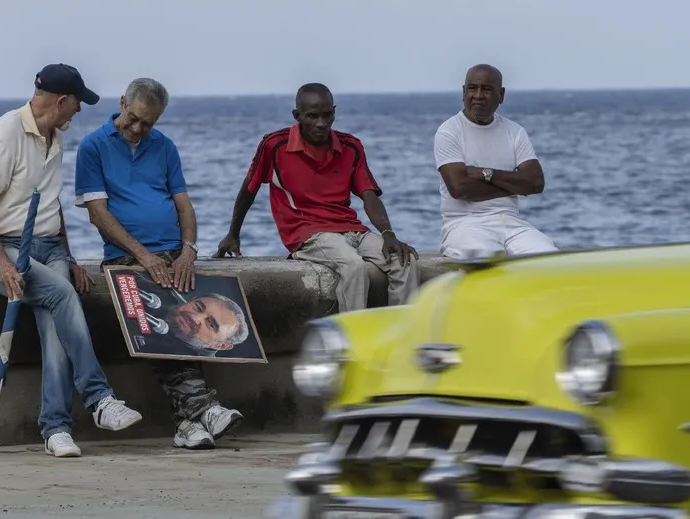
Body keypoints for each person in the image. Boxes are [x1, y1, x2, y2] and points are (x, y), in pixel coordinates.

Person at [0, 63, 144, 459]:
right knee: (60, 295)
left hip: (46, 246)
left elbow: (50, 204)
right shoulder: (6, 133)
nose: (80, 109)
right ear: (61, 101)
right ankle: (99, 398)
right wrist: (2, 264)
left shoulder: (54, 137)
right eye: (78, 102)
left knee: (54, 320)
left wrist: (69, 256)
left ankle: (56, 429)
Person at [74, 77, 243, 450]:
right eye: (133, 118)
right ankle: (204, 409)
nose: (138, 128)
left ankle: (188, 424)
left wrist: (188, 250)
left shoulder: (164, 146)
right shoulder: (93, 147)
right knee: (165, 321)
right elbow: (98, 214)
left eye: (147, 123)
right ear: (122, 103)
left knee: (191, 324)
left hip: (172, 252)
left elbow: (183, 205)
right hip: (126, 257)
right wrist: (145, 256)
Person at [215, 83, 419, 313]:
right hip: (308, 234)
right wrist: (233, 234)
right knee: (354, 266)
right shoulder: (275, 145)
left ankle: (403, 332)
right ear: (297, 116)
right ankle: (351, 334)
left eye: (327, 115)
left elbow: (369, 196)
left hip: (352, 230)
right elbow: (248, 191)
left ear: (334, 112)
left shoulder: (351, 146)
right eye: (312, 116)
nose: (321, 123)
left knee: (405, 261)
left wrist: (389, 235)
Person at [434, 64, 557, 259]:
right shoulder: (449, 131)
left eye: (487, 89)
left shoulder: (515, 132)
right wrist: (514, 185)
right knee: (484, 253)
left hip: (511, 222)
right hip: (464, 224)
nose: (478, 95)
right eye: (472, 88)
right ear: (464, 92)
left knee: (546, 255)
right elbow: (459, 189)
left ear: (501, 95)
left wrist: (487, 174)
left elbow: (535, 183)